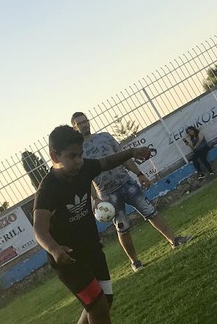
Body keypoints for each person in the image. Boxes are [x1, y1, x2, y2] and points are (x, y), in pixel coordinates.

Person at [33, 124, 153, 324]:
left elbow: (107, 161)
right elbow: (39, 230)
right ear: (55, 156)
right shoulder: (48, 190)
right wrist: (54, 249)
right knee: (97, 304)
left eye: (80, 155)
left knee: (105, 300)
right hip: (68, 259)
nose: (79, 161)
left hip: (92, 248)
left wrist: (132, 152)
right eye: (72, 156)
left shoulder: (84, 168)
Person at [70, 112, 193, 272]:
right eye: (79, 123)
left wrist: (140, 174)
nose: (84, 125)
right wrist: (95, 199)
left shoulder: (105, 137)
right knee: (122, 227)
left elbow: (125, 157)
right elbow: (85, 178)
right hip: (107, 194)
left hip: (127, 183)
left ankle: (174, 240)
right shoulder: (78, 152)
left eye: (85, 121)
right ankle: (135, 262)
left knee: (151, 212)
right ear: (74, 127)